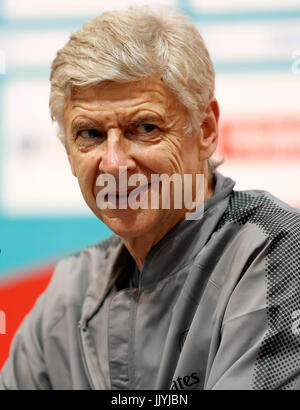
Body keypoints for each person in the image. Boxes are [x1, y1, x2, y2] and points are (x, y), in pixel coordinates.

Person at [1, 6, 300, 390]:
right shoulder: (71, 290)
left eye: (144, 127)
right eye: (90, 134)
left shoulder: (280, 254)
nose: (113, 163)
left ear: (205, 130)